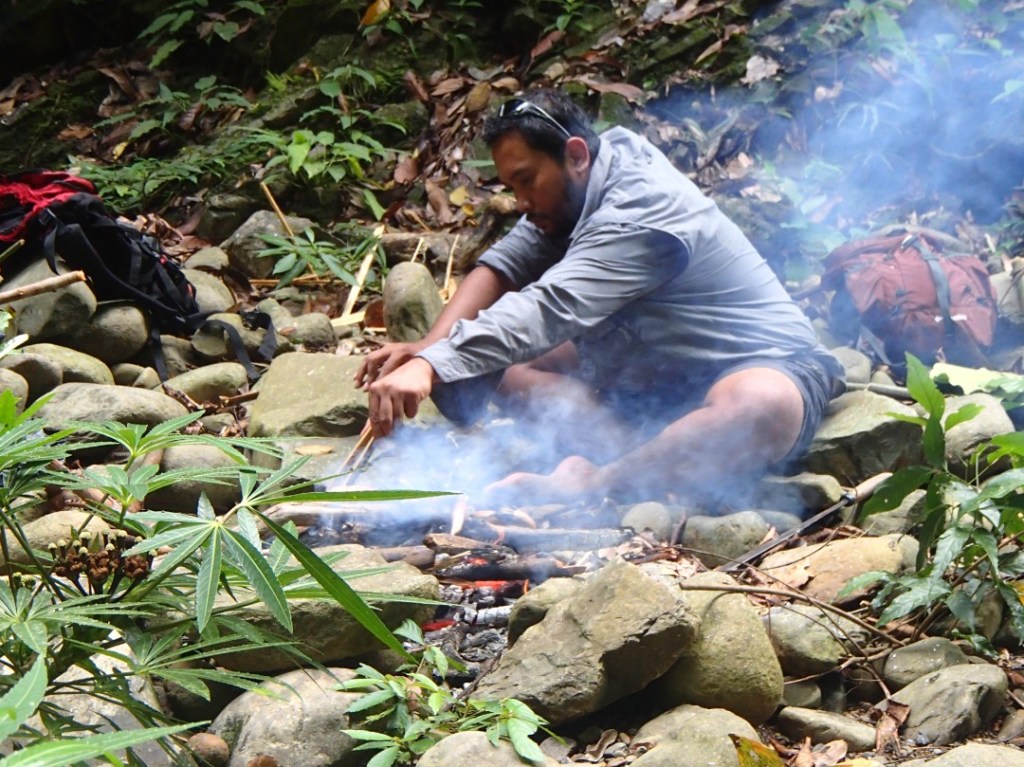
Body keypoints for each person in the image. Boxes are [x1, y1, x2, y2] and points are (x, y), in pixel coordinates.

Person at [355, 89, 845, 506]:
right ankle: (650, 454)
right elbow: (503, 267)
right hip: (645, 367)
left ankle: (598, 483)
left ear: (575, 155)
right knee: (504, 365)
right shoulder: (584, 178)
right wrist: (429, 349)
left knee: (760, 404)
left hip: (751, 362)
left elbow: (550, 307)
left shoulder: (640, 210)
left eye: (527, 181)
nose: (520, 202)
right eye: (511, 186)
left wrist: (434, 365)